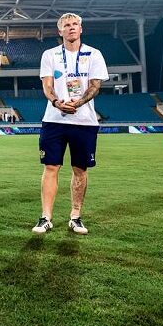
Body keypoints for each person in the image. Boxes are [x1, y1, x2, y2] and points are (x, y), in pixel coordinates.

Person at [32, 13, 109, 236]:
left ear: (81, 29)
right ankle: (46, 217)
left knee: (80, 169)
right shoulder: (50, 55)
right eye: (66, 25)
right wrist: (57, 102)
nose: (71, 27)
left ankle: (75, 217)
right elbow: (47, 86)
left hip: (84, 121)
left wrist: (79, 102)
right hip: (54, 119)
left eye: (75, 24)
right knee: (50, 167)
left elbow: (95, 86)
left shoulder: (94, 54)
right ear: (60, 31)